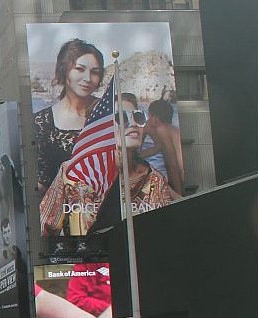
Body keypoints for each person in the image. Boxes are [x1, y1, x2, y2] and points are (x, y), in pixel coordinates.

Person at [41, 92, 177, 239]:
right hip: (88, 260)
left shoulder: (154, 180)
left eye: (138, 117)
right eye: (121, 117)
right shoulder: (72, 172)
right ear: (99, 127)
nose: (132, 124)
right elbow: (45, 228)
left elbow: (166, 233)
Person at [34, 38, 105, 192]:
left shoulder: (109, 112)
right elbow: (41, 185)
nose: (87, 78)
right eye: (80, 69)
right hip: (65, 211)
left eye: (95, 72)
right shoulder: (42, 122)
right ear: (64, 70)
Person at [142, 97, 184, 195]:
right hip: (177, 175)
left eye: (149, 116)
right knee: (146, 192)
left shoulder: (162, 129)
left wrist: (179, 194)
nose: (147, 120)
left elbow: (172, 165)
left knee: (146, 193)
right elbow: (158, 147)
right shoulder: (171, 129)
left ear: (155, 118)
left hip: (179, 176)